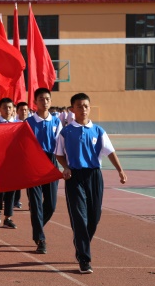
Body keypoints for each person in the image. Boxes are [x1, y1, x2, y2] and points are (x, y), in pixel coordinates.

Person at [55, 93, 127, 274]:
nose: (83, 109)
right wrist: (65, 167)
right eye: (79, 106)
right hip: (74, 176)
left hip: (94, 175)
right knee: (80, 217)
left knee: (94, 217)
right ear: (72, 110)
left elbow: (110, 151)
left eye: (86, 106)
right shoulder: (66, 132)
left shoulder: (98, 131)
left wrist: (120, 170)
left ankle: (81, 242)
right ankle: (84, 259)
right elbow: (58, 153)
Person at [25, 88, 62, 254]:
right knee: (35, 203)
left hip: (51, 163)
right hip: (33, 164)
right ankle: (40, 239)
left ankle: (37, 226)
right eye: (41, 99)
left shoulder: (57, 122)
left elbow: (62, 145)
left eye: (47, 99)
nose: (45, 101)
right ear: (35, 102)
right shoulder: (28, 123)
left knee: (51, 205)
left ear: (51, 101)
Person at [0, 97, 18, 229]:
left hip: (13, 163)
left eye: (10, 107)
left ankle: (8, 217)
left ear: (13, 109)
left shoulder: (19, 125)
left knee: (11, 190)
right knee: (0, 191)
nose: (7, 110)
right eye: (4, 108)